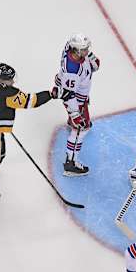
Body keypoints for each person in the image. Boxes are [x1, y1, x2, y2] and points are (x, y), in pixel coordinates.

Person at [0, 63, 72, 201]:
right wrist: (51, 94)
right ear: (2, 81)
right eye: (10, 80)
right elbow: (32, 101)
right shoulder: (9, 95)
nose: (13, 82)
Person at [54, 33, 101, 176]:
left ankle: (71, 122)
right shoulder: (72, 71)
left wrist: (91, 59)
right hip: (76, 100)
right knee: (82, 129)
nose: (87, 52)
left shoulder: (71, 48)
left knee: (79, 122)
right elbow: (69, 96)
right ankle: (71, 163)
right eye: (84, 49)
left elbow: (92, 62)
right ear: (77, 51)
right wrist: (75, 115)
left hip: (76, 92)